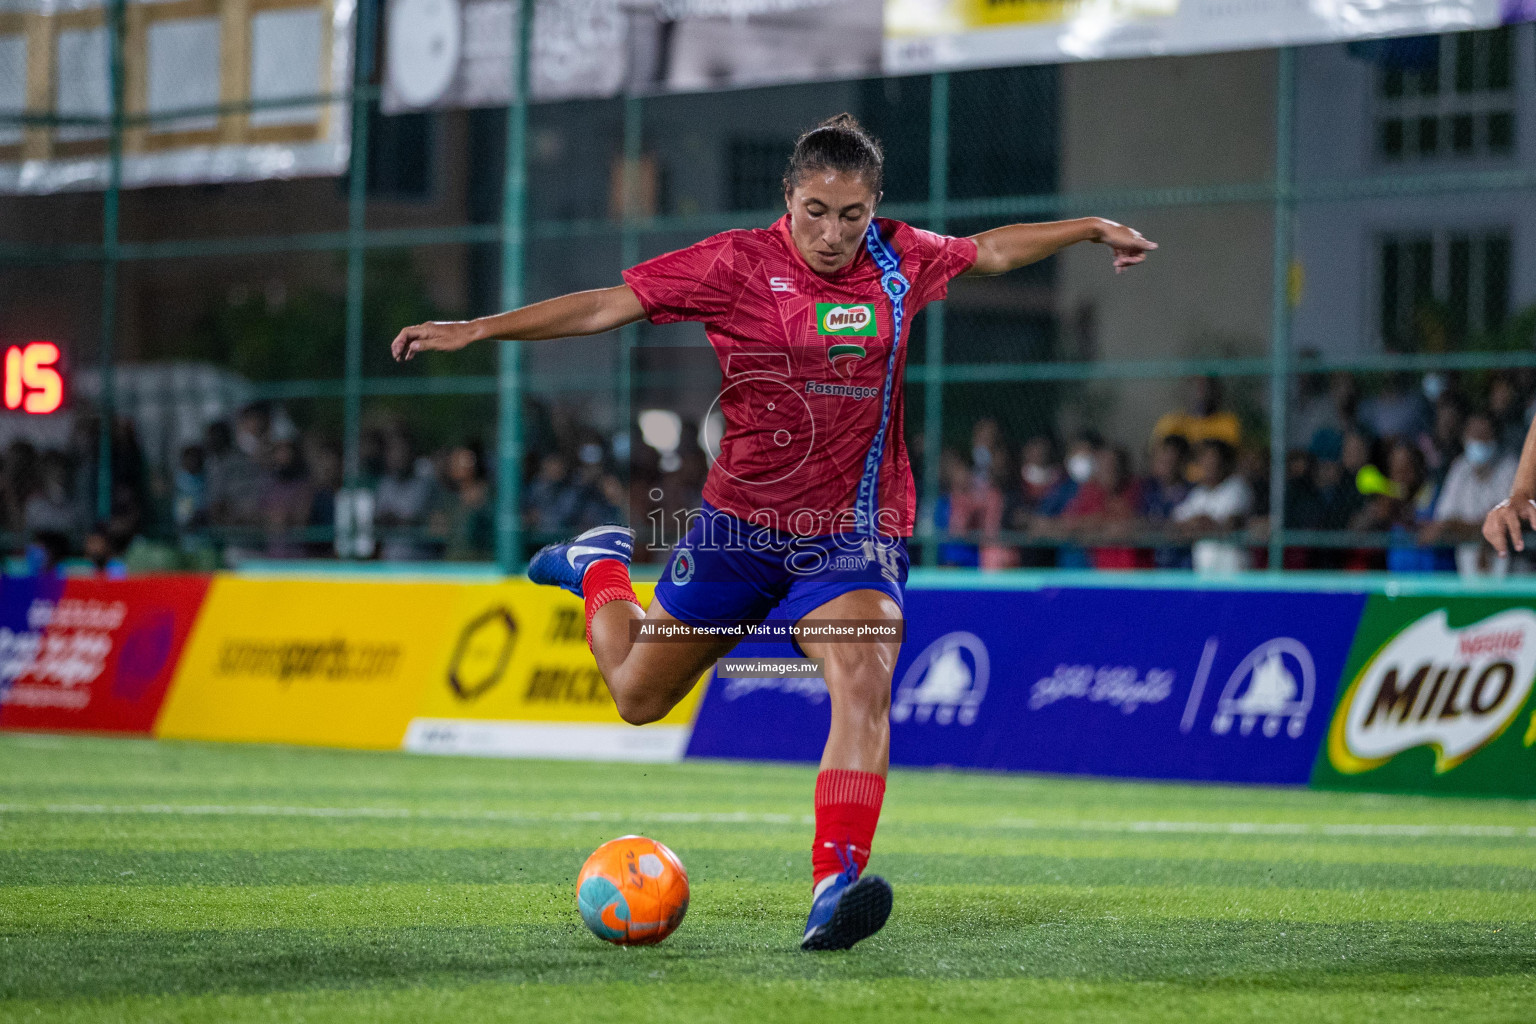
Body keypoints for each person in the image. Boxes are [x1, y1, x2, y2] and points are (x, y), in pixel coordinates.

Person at [390, 113, 1155, 950]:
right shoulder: (736, 264)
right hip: (737, 531)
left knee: (864, 677)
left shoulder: (902, 257)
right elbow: (607, 304)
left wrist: (1086, 228)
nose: (833, 233)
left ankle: (835, 885)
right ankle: (598, 566)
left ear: (875, 208)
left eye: (852, 214)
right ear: (787, 198)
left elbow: (995, 250)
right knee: (637, 697)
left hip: (852, 536)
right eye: (816, 211)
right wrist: (480, 329)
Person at [1434, 412, 1518, 577]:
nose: (1479, 440)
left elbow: (1504, 522)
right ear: (1465, 437)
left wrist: (1462, 527)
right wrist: (1481, 531)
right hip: (1466, 571)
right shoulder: (1459, 468)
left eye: (1485, 435)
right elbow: (1444, 521)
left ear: (1495, 438)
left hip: (1510, 572)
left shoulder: (1510, 467)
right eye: (1475, 434)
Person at [1172, 440, 1253, 573]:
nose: (1209, 465)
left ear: (1225, 462)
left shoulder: (1237, 487)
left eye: (1214, 460)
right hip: (1204, 573)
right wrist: (1200, 523)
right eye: (1205, 460)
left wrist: (1200, 524)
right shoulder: (1198, 494)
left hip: (1234, 573)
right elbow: (1176, 524)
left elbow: (1231, 524)